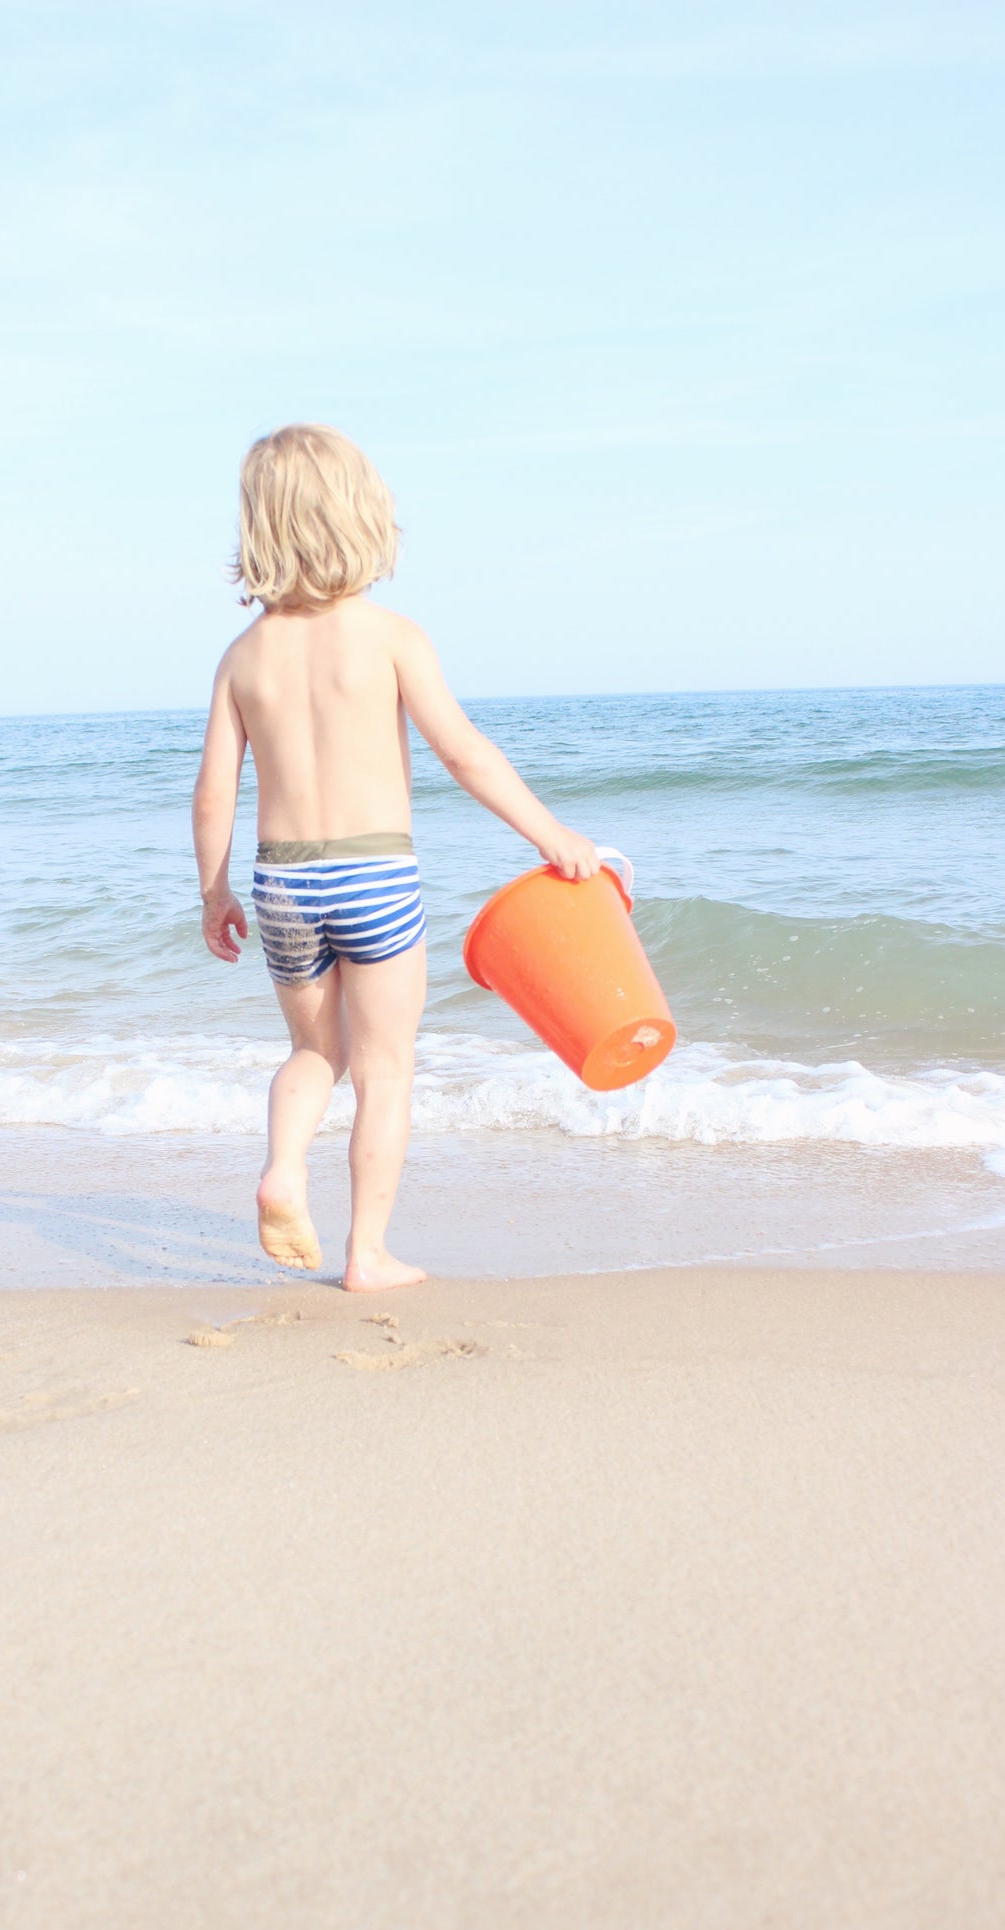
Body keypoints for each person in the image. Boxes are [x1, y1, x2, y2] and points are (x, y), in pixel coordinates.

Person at [192, 423, 598, 1291]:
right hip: (375, 872)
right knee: (385, 1068)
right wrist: (551, 836)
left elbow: (214, 792)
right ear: (360, 519)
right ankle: (366, 1255)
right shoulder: (392, 637)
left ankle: (283, 1169)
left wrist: (213, 892)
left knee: (314, 1053)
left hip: (281, 881)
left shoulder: (242, 659)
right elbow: (466, 756)